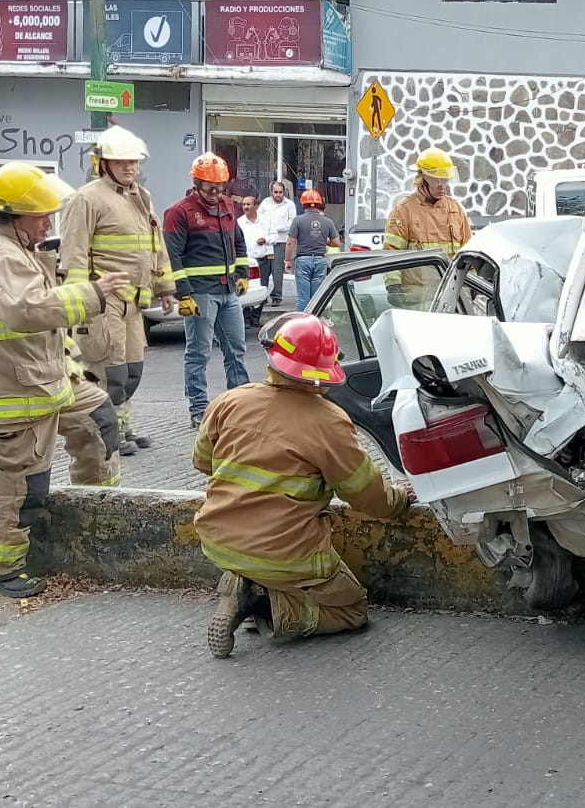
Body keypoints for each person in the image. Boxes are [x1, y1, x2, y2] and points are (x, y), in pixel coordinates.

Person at [193, 313, 414, 658]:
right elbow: (366, 496)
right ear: (324, 373)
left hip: (219, 542)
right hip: (287, 555)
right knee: (351, 610)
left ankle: (245, 583)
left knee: (270, 566)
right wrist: (399, 500)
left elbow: (203, 462)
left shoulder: (229, 401)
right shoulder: (329, 422)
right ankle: (265, 607)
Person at [0, 162, 129, 598]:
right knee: (19, 482)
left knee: (98, 417)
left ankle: (97, 511)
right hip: (16, 393)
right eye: (40, 216)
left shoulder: (16, 248)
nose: (48, 222)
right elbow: (28, 310)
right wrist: (92, 294)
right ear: (14, 215)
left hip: (43, 381)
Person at [58, 126, 178, 456]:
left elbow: (156, 246)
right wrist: (79, 300)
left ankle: (123, 425)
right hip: (103, 301)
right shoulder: (86, 198)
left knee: (131, 371)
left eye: (134, 162)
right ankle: (104, 431)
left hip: (134, 301)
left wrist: (166, 288)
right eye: (121, 162)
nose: (130, 167)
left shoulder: (141, 197)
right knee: (106, 371)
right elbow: (74, 253)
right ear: (103, 163)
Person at [163, 153, 251, 429]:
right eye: (209, 187)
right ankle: (199, 408)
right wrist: (183, 293)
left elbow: (238, 241)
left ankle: (241, 405)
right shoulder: (179, 213)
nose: (215, 193)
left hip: (227, 292)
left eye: (220, 187)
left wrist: (243, 273)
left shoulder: (226, 205)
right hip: (200, 293)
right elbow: (172, 256)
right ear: (196, 182)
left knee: (236, 350)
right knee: (199, 353)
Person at [383, 147, 471, 308]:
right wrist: (393, 286)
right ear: (422, 179)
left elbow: (468, 252)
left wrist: (474, 285)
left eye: (445, 180)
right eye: (436, 179)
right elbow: (391, 252)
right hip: (418, 301)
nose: (442, 185)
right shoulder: (404, 210)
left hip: (452, 300)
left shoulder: (455, 210)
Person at [285, 188, 340, 312]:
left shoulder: (298, 220)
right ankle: (316, 322)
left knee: (303, 298)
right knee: (317, 297)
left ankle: (303, 324)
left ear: (303, 203)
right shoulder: (327, 221)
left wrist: (287, 260)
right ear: (319, 203)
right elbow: (336, 242)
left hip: (303, 260)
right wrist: (324, 240)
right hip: (320, 260)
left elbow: (290, 242)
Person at [237, 195, 275, 327]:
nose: (245, 207)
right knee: (246, 289)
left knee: (262, 288)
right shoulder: (239, 222)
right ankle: (246, 318)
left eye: (248, 204)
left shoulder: (265, 220)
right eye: (244, 205)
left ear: (256, 206)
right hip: (246, 261)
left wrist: (266, 240)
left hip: (261, 259)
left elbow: (274, 236)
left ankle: (256, 317)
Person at [258, 181, 296, 307]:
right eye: (276, 192)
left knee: (277, 270)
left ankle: (276, 296)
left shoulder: (289, 205)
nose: (278, 195)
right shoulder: (265, 203)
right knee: (263, 270)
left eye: (280, 192)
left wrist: (275, 228)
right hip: (266, 242)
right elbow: (258, 219)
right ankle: (262, 296)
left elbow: (292, 222)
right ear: (271, 192)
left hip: (280, 241)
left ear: (283, 192)